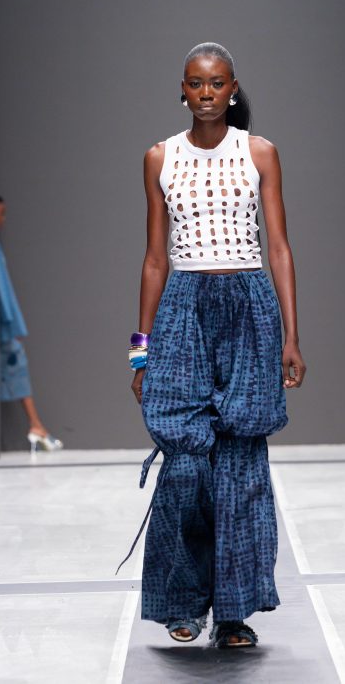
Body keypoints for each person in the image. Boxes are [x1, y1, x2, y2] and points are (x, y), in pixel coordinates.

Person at [124, 43, 305, 648]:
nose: (207, 93)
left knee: (241, 465)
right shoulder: (159, 157)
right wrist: (141, 351)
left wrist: (292, 336)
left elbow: (279, 248)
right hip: (183, 309)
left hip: (250, 306)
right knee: (184, 464)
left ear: (232, 88)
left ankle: (232, 612)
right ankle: (181, 600)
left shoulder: (260, 153)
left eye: (218, 82)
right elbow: (155, 259)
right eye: (197, 83)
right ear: (182, 89)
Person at [0, 196, 63, 454]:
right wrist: (12, 324)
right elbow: (1, 291)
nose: (3, 220)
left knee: (15, 367)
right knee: (16, 366)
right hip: (3, 325)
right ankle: (36, 426)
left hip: (4, 324)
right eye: (0, 213)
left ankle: (36, 426)